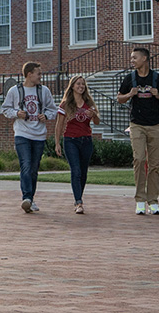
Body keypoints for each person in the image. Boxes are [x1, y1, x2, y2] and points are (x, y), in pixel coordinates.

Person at [116, 45, 159, 216]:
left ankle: (153, 201)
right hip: (137, 125)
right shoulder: (130, 78)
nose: (132, 60)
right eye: (132, 58)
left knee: (154, 165)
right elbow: (119, 98)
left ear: (145, 59)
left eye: (135, 58)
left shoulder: (157, 78)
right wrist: (129, 95)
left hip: (155, 125)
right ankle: (140, 200)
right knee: (139, 159)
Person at [1, 61, 58, 213]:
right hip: (22, 134)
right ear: (29, 74)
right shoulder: (15, 90)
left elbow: (53, 110)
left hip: (39, 135)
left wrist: (45, 115)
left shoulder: (44, 91)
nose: (41, 76)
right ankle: (26, 198)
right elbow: (5, 109)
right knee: (25, 165)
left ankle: (30, 200)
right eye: (38, 73)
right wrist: (16, 113)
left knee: (33, 168)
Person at [55, 75, 99, 214]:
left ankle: (79, 195)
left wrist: (93, 114)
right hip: (71, 140)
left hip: (86, 140)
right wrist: (57, 143)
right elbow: (59, 124)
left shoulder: (89, 102)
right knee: (76, 171)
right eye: (78, 84)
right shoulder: (66, 104)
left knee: (83, 172)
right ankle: (78, 202)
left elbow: (97, 122)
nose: (81, 86)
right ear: (72, 86)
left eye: (83, 84)